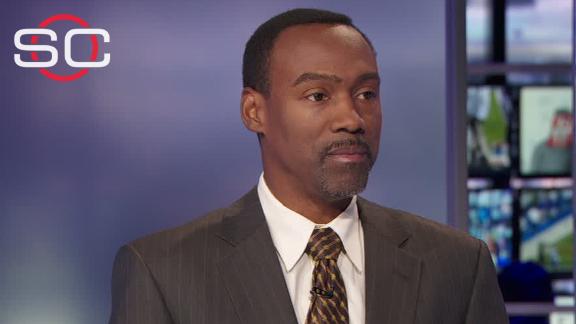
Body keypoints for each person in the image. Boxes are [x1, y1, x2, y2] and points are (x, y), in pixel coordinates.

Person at [109, 8, 508, 324]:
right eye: (318, 95)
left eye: (367, 93)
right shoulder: (164, 272)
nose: (353, 118)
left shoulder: (457, 265)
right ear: (254, 111)